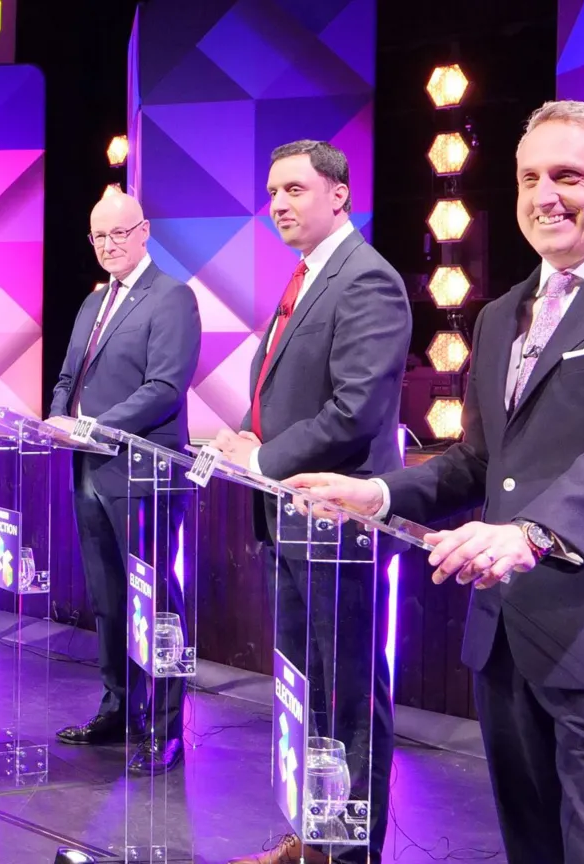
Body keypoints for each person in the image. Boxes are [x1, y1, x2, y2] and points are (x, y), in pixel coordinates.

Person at [287, 100, 584, 864]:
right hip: (505, 639)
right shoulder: (498, 315)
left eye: (568, 176)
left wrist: (532, 533)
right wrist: (384, 493)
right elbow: (482, 462)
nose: (544, 195)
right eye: (530, 177)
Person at [216, 141, 411, 864]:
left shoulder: (366, 280)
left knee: (351, 696)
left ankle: (352, 853)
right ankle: (314, 837)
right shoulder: (304, 279)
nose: (279, 204)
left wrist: (262, 457)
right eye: (272, 192)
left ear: (339, 194)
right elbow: (283, 393)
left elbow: (356, 409)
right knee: (307, 693)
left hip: (339, 524)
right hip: (288, 521)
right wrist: (244, 437)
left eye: (294, 188)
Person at [47, 191, 201, 775]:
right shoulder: (92, 303)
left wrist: (91, 426)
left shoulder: (172, 297)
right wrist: (60, 416)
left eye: (119, 234)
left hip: (146, 475)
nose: (109, 245)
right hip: (88, 468)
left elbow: (164, 387)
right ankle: (118, 708)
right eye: (99, 237)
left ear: (145, 232)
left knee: (156, 603)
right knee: (109, 601)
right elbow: (68, 377)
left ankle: (165, 730)